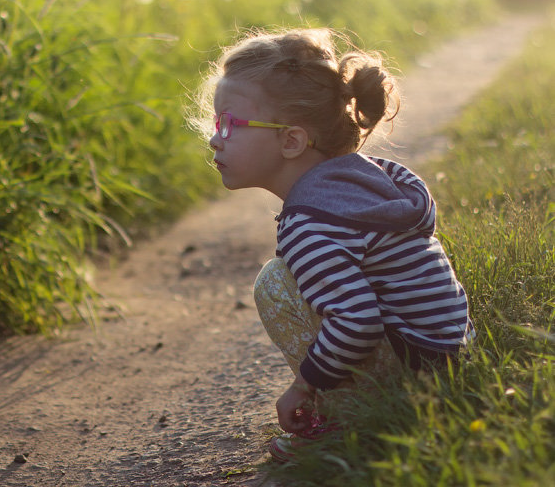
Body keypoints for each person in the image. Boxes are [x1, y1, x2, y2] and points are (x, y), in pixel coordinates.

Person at [193, 28, 474, 462]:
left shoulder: (309, 222)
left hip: (418, 376)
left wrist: (303, 385)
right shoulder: (369, 177)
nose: (215, 138)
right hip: (453, 356)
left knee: (275, 284)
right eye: (216, 124)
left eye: (228, 124)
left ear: (291, 141)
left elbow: (357, 318)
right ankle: (365, 406)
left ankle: (347, 422)